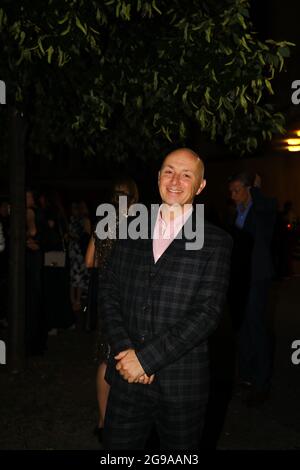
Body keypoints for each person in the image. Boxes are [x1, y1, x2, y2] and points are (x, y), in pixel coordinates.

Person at [100, 148, 232, 449]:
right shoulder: (129, 228)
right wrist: (126, 354)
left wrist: (146, 360)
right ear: (158, 177)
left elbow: (207, 313)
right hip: (126, 377)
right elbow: (108, 291)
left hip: (181, 383)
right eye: (169, 171)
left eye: (187, 175)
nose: (175, 180)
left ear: (200, 186)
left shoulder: (216, 242)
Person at [85, 177, 139, 443]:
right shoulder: (136, 225)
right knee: (123, 354)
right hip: (126, 298)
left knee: (106, 358)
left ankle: (103, 419)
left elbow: (89, 261)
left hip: (105, 297)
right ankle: (120, 419)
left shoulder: (104, 223)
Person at [228, 172, 277, 406]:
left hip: (257, 277)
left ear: (248, 189)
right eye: (231, 191)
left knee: (257, 328)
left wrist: (256, 189)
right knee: (244, 327)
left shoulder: (261, 208)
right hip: (241, 278)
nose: (233, 195)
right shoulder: (236, 212)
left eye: (237, 190)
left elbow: (268, 207)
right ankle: (246, 377)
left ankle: (261, 383)